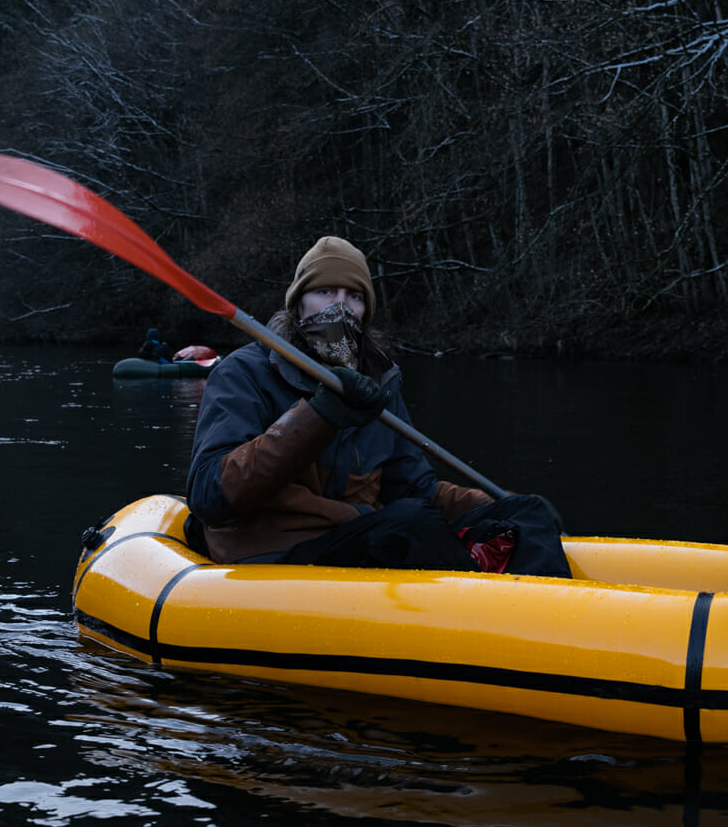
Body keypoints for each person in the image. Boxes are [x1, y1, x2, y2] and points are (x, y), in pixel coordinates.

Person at [186, 236, 570, 575]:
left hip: (359, 536)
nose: (340, 307)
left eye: (353, 297)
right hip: (274, 552)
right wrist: (319, 416)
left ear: (366, 311)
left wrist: (498, 503)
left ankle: (548, 624)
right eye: (326, 292)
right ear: (298, 303)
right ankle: (483, 617)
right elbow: (210, 496)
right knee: (407, 524)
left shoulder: (378, 381)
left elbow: (414, 487)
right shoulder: (244, 372)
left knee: (525, 512)